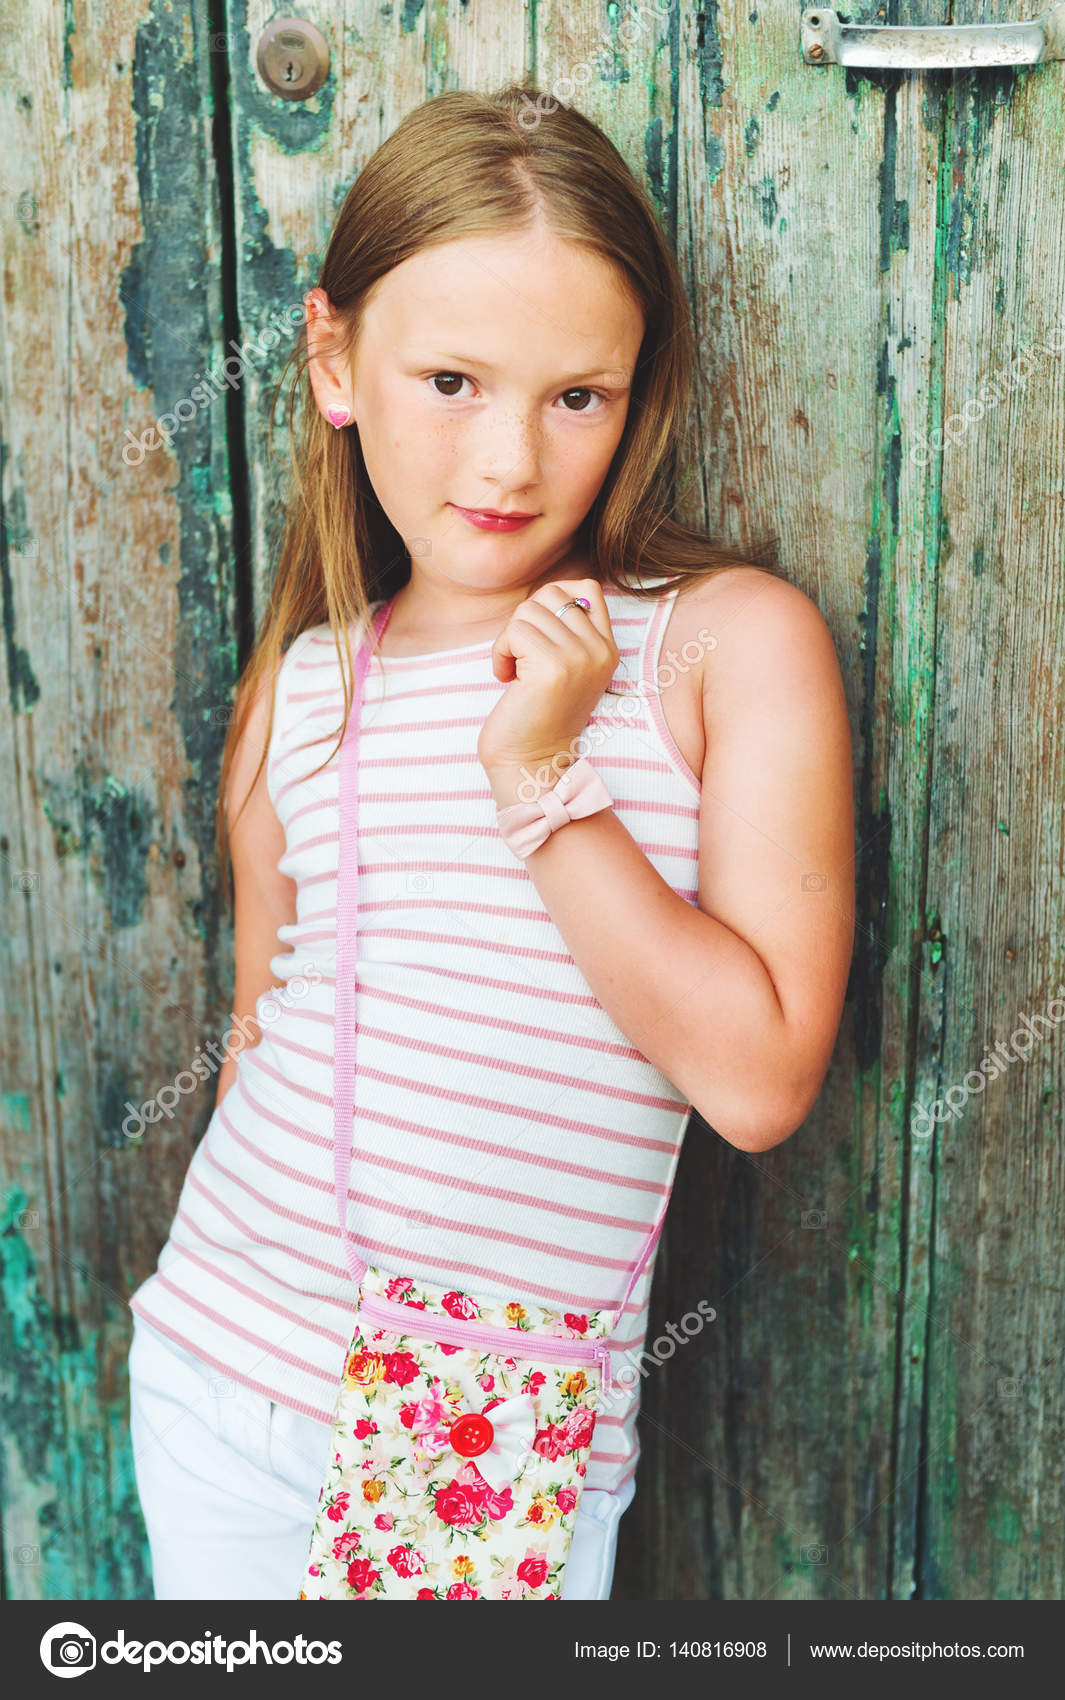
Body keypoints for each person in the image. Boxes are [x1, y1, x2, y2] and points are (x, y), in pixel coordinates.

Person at [127, 82, 854, 1601]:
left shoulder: (715, 649)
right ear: (331, 360)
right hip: (222, 1351)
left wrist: (541, 780)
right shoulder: (304, 687)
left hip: (483, 1414)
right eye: (451, 378)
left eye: (573, 396)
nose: (510, 461)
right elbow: (265, 1028)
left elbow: (759, 1076)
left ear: (633, 391)